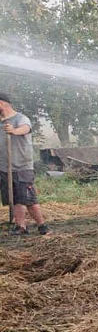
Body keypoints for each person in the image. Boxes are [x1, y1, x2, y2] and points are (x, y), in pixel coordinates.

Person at [0, 93, 49, 235]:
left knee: (28, 198)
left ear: (1, 104)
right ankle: (20, 227)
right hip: (5, 167)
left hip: (22, 166)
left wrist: (14, 131)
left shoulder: (20, 118)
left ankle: (43, 226)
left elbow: (25, 128)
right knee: (15, 198)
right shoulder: (1, 122)